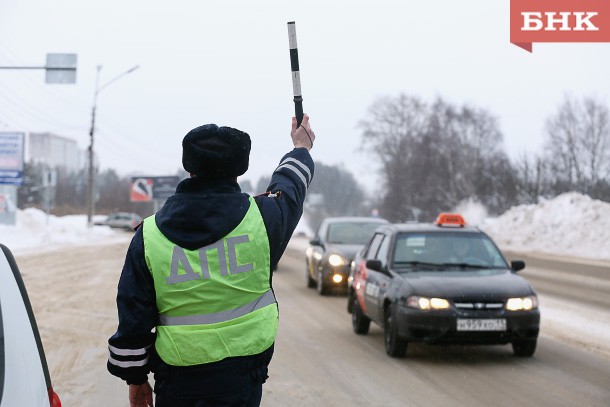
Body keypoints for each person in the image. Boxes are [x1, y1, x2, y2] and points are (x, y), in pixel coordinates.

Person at [107, 114, 315, 407]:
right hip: (244, 381)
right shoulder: (263, 220)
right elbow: (291, 188)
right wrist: (300, 149)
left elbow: (133, 317)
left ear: (189, 166)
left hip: (176, 384)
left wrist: (136, 380)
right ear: (238, 170)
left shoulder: (149, 236)